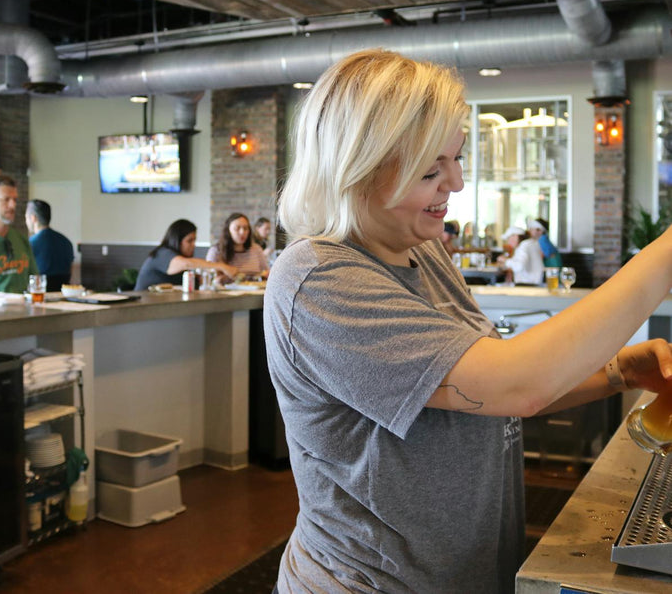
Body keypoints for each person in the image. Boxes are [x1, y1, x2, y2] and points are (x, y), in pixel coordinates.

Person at [263, 48, 672, 593]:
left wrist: (621, 371)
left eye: (456, 159)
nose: (454, 183)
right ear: (358, 168)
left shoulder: (422, 249)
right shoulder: (317, 279)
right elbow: (516, 385)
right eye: (431, 169)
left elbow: (487, 400)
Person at [134, 219, 237, 290]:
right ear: (177, 240)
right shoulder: (162, 254)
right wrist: (222, 266)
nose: (193, 245)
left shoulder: (184, 259)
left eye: (194, 240)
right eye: (189, 241)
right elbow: (186, 264)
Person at [25, 199, 75, 292]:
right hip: (62, 294)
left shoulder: (29, 244)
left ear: (33, 218)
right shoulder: (66, 241)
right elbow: (70, 271)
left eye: (26, 218)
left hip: (39, 295)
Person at [206, 213, 268, 283]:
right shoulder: (216, 251)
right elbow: (208, 276)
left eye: (245, 228)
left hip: (255, 291)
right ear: (228, 230)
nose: (242, 232)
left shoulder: (257, 249)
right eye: (237, 228)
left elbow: (266, 272)